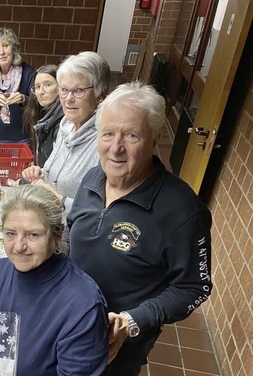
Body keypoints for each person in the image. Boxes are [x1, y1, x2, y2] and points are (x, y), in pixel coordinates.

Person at [68, 82, 213, 375]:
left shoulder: (182, 211)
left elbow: (194, 287)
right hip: (67, 321)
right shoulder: (93, 178)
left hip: (115, 345)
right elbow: (70, 237)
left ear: (155, 138)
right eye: (108, 134)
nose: (116, 148)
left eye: (131, 135)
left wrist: (133, 320)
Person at [0, 184, 108, 375]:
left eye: (33, 235)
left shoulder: (82, 305)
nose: (19, 246)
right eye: (11, 233)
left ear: (57, 235)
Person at [21, 51, 110, 230]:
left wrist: (59, 199)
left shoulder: (105, 143)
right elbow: (57, 176)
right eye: (64, 89)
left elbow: (103, 212)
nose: (68, 99)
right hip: (48, 227)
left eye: (78, 90)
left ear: (101, 94)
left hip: (75, 238)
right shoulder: (66, 127)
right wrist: (40, 174)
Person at [22, 64, 63, 167]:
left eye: (47, 85)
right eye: (37, 87)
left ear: (60, 87)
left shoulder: (63, 122)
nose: (41, 92)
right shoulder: (41, 114)